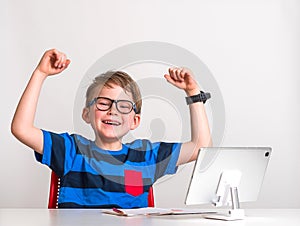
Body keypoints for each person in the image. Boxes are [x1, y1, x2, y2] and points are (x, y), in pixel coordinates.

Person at [11, 49, 212, 208]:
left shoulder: (146, 156)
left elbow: (201, 147)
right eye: (103, 103)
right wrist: (40, 74)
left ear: (135, 121)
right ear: (86, 114)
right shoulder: (71, 150)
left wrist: (193, 93)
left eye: (124, 106)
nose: (113, 111)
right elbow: (21, 128)